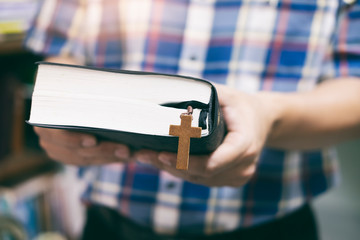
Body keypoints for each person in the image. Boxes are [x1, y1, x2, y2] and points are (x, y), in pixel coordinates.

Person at [25, 0, 360, 239]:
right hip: (108, 224)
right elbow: (61, 51)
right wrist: (64, 109)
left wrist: (268, 114)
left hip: (270, 224)